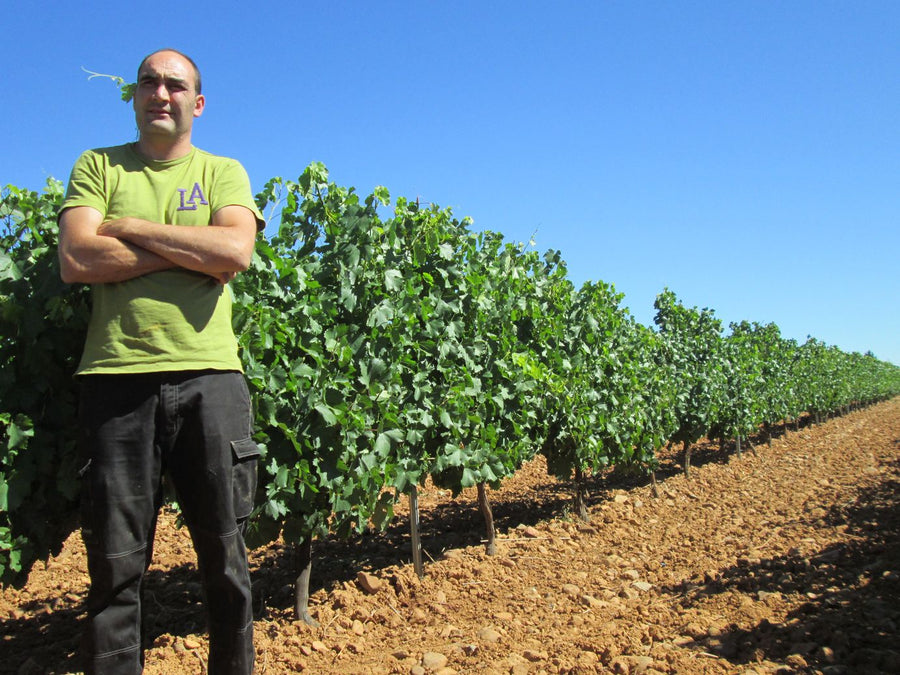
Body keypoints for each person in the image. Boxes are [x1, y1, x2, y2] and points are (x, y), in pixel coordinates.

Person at [58, 48, 264, 674]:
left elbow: (234, 251)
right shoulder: (97, 166)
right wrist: (187, 252)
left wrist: (131, 228)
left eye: (176, 85)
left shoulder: (224, 171)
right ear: (135, 96)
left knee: (227, 563)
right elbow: (78, 261)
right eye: (149, 82)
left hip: (211, 380)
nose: (161, 93)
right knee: (114, 572)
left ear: (196, 103)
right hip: (116, 384)